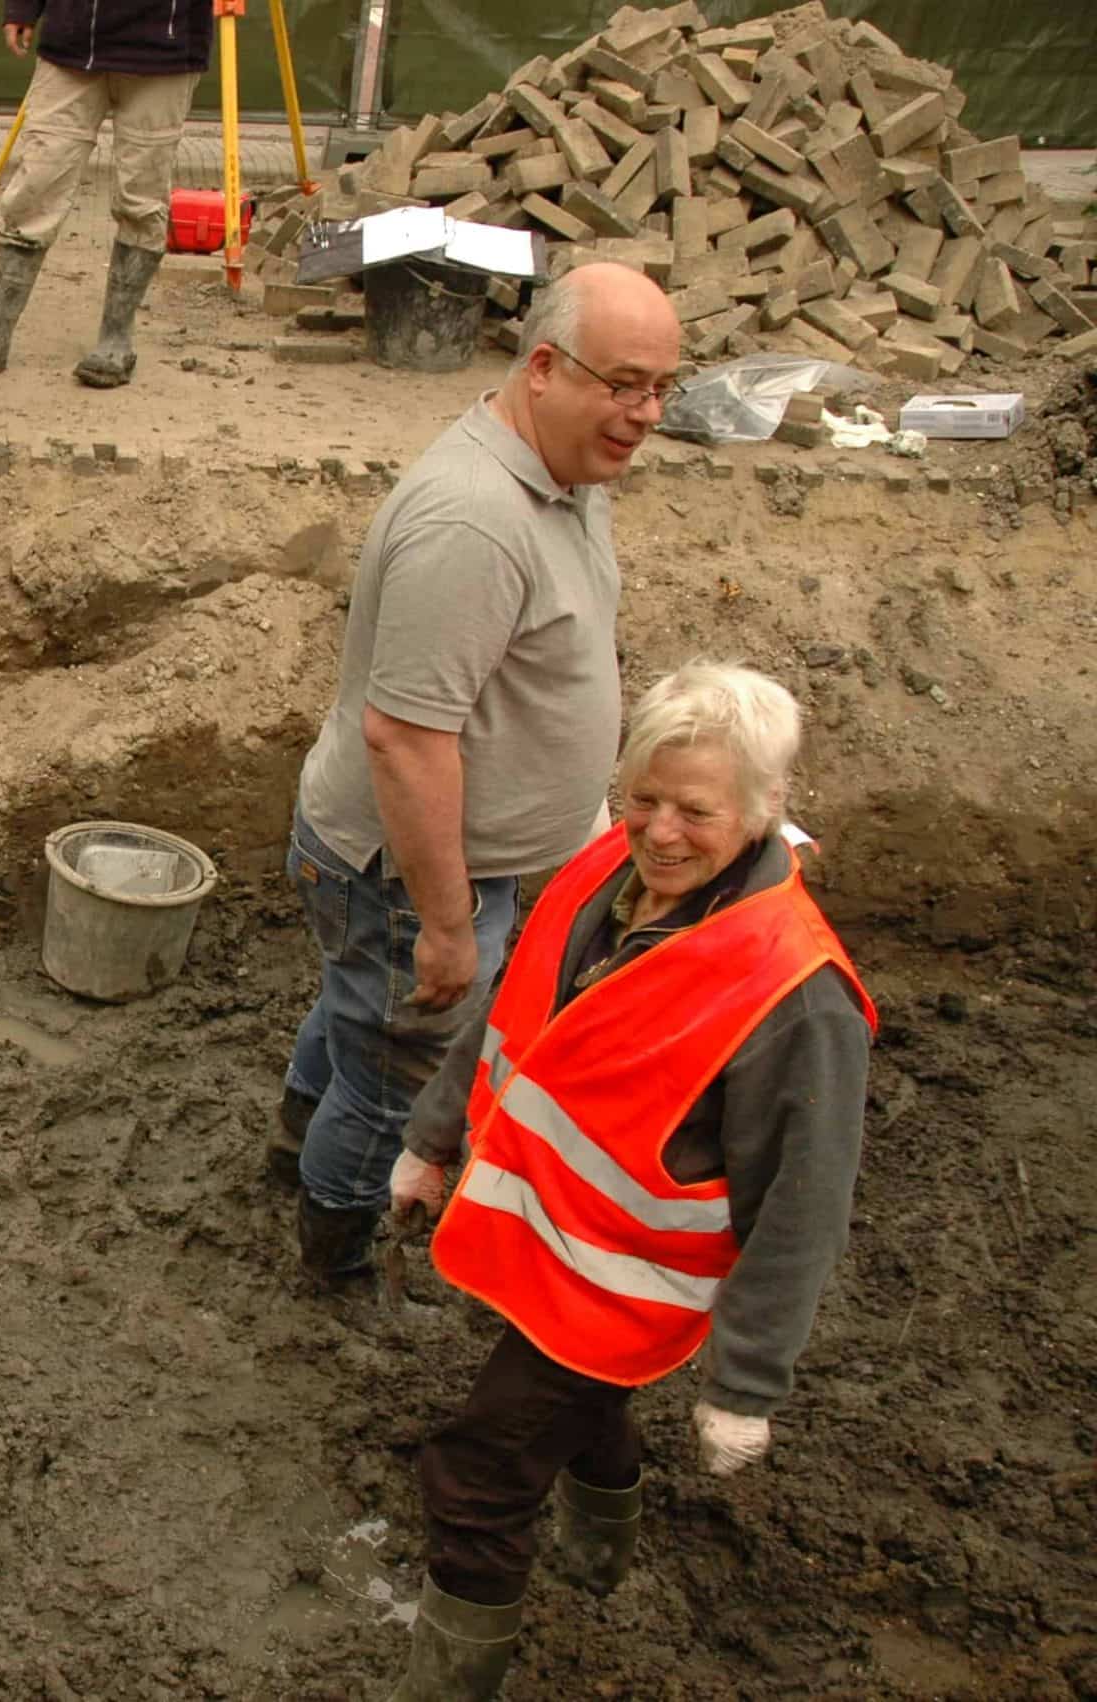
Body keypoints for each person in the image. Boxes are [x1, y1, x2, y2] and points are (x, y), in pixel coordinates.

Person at [378, 663, 875, 1700]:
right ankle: (599, 1550)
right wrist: (432, 1138)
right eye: (643, 796)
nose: (657, 832)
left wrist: (745, 1381)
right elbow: (511, 1010)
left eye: (694, 811)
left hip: (628, 1284)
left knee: (474, 1478)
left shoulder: (793, 993)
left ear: (763, 808)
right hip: (548, 1248)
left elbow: (805, 1202)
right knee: (578, 1404)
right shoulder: (601, 868)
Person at [276, 261, 681, 1304]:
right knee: (390, 1077)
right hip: (412, 876)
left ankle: (290, 1151)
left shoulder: (561, 468)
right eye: (623, 384)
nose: (644, 415)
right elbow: (406, 740)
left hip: (442, 869)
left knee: (357, 1019)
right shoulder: (472, 523)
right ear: (542, 366)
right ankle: (335, 1263)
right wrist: (450, 925)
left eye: (661, 389)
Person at [0, 1, 210, 387]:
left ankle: (116, 340)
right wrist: (23, 8)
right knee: (36, 186)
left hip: (165, 49)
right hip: (73, 43)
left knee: (140, 200)